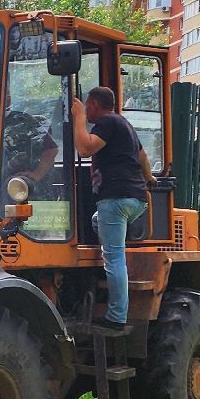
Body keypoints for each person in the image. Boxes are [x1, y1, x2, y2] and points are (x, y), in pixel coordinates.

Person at [71, 86, 152, 332]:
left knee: (114, 257)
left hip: (115, 199)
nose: (86, 108)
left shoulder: (106, 122)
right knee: (98, 223)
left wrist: (78, 119)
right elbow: (143, 157)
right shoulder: (124, 124)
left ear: (95, 104)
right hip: (136, 199)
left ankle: (116, 317)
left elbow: (85, 149)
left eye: (87, 105)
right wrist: (150, 180)